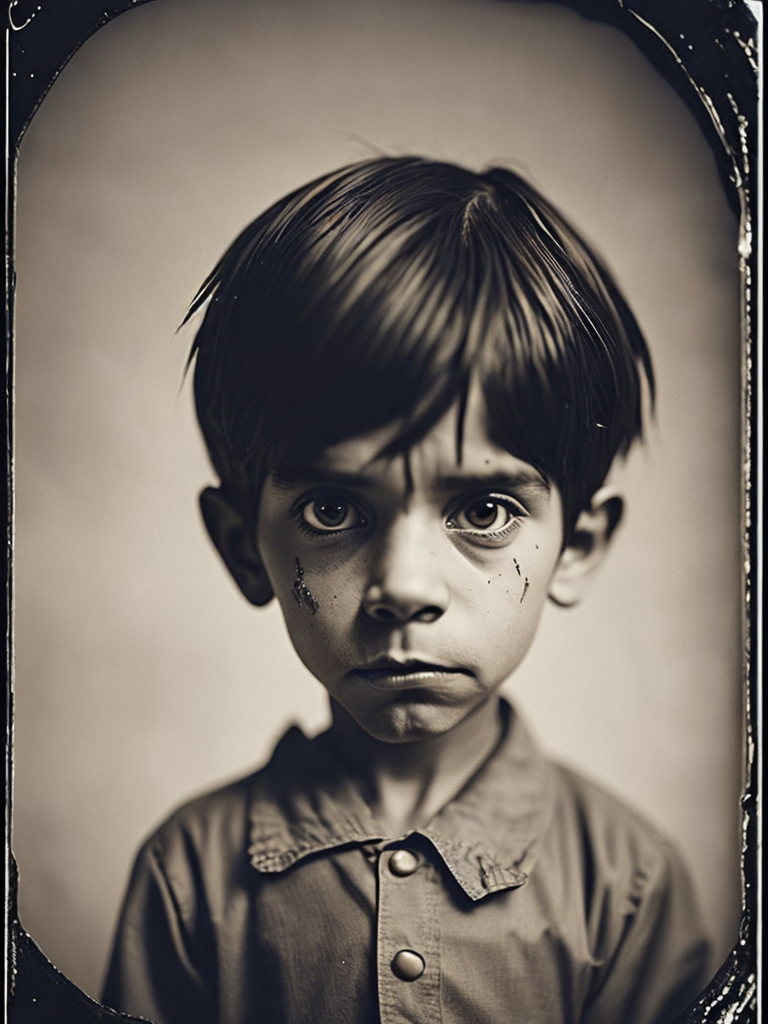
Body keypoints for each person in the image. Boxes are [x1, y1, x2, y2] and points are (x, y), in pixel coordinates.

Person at [101, 156, 712, 1024]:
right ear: (244, 547)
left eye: (485, 509)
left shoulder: (628, 884)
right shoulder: (190, 876)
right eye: (332, 507)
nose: (403, 586)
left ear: (576, 545)